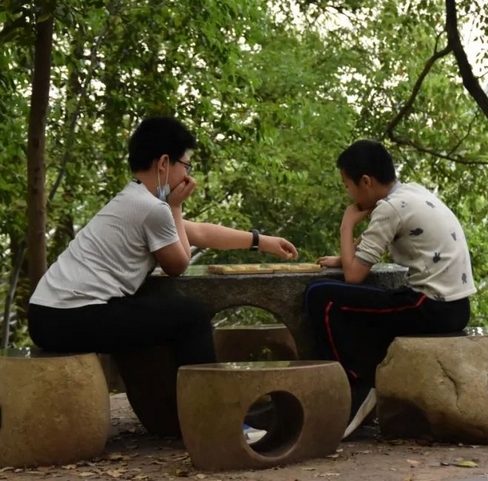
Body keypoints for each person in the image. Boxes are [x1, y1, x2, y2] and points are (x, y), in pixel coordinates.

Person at [28, 116, 298, 369]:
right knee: (191, 316)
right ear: (164, 163)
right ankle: (205, 400)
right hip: (69, 316)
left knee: (161, 310)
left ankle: (168, 399)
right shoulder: (152, 208)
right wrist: (175, 207)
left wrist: (261, 241)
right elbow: (178, 264)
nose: (188, 176)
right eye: (186, 166)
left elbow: (198, 232)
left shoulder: (135, 200)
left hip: (47, 314)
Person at [305, 139, 475, 437]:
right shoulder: (412, 192)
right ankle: (365, 381)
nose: (349, 194)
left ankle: (354, 388)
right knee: (358, 301)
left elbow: (354, 276)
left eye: (347, 185)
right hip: (455, 307)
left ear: (365, 181)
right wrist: (345, 257)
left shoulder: (390, 208)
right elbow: (371, 244)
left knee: (320, 296)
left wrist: (346, 225)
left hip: (429, 307)